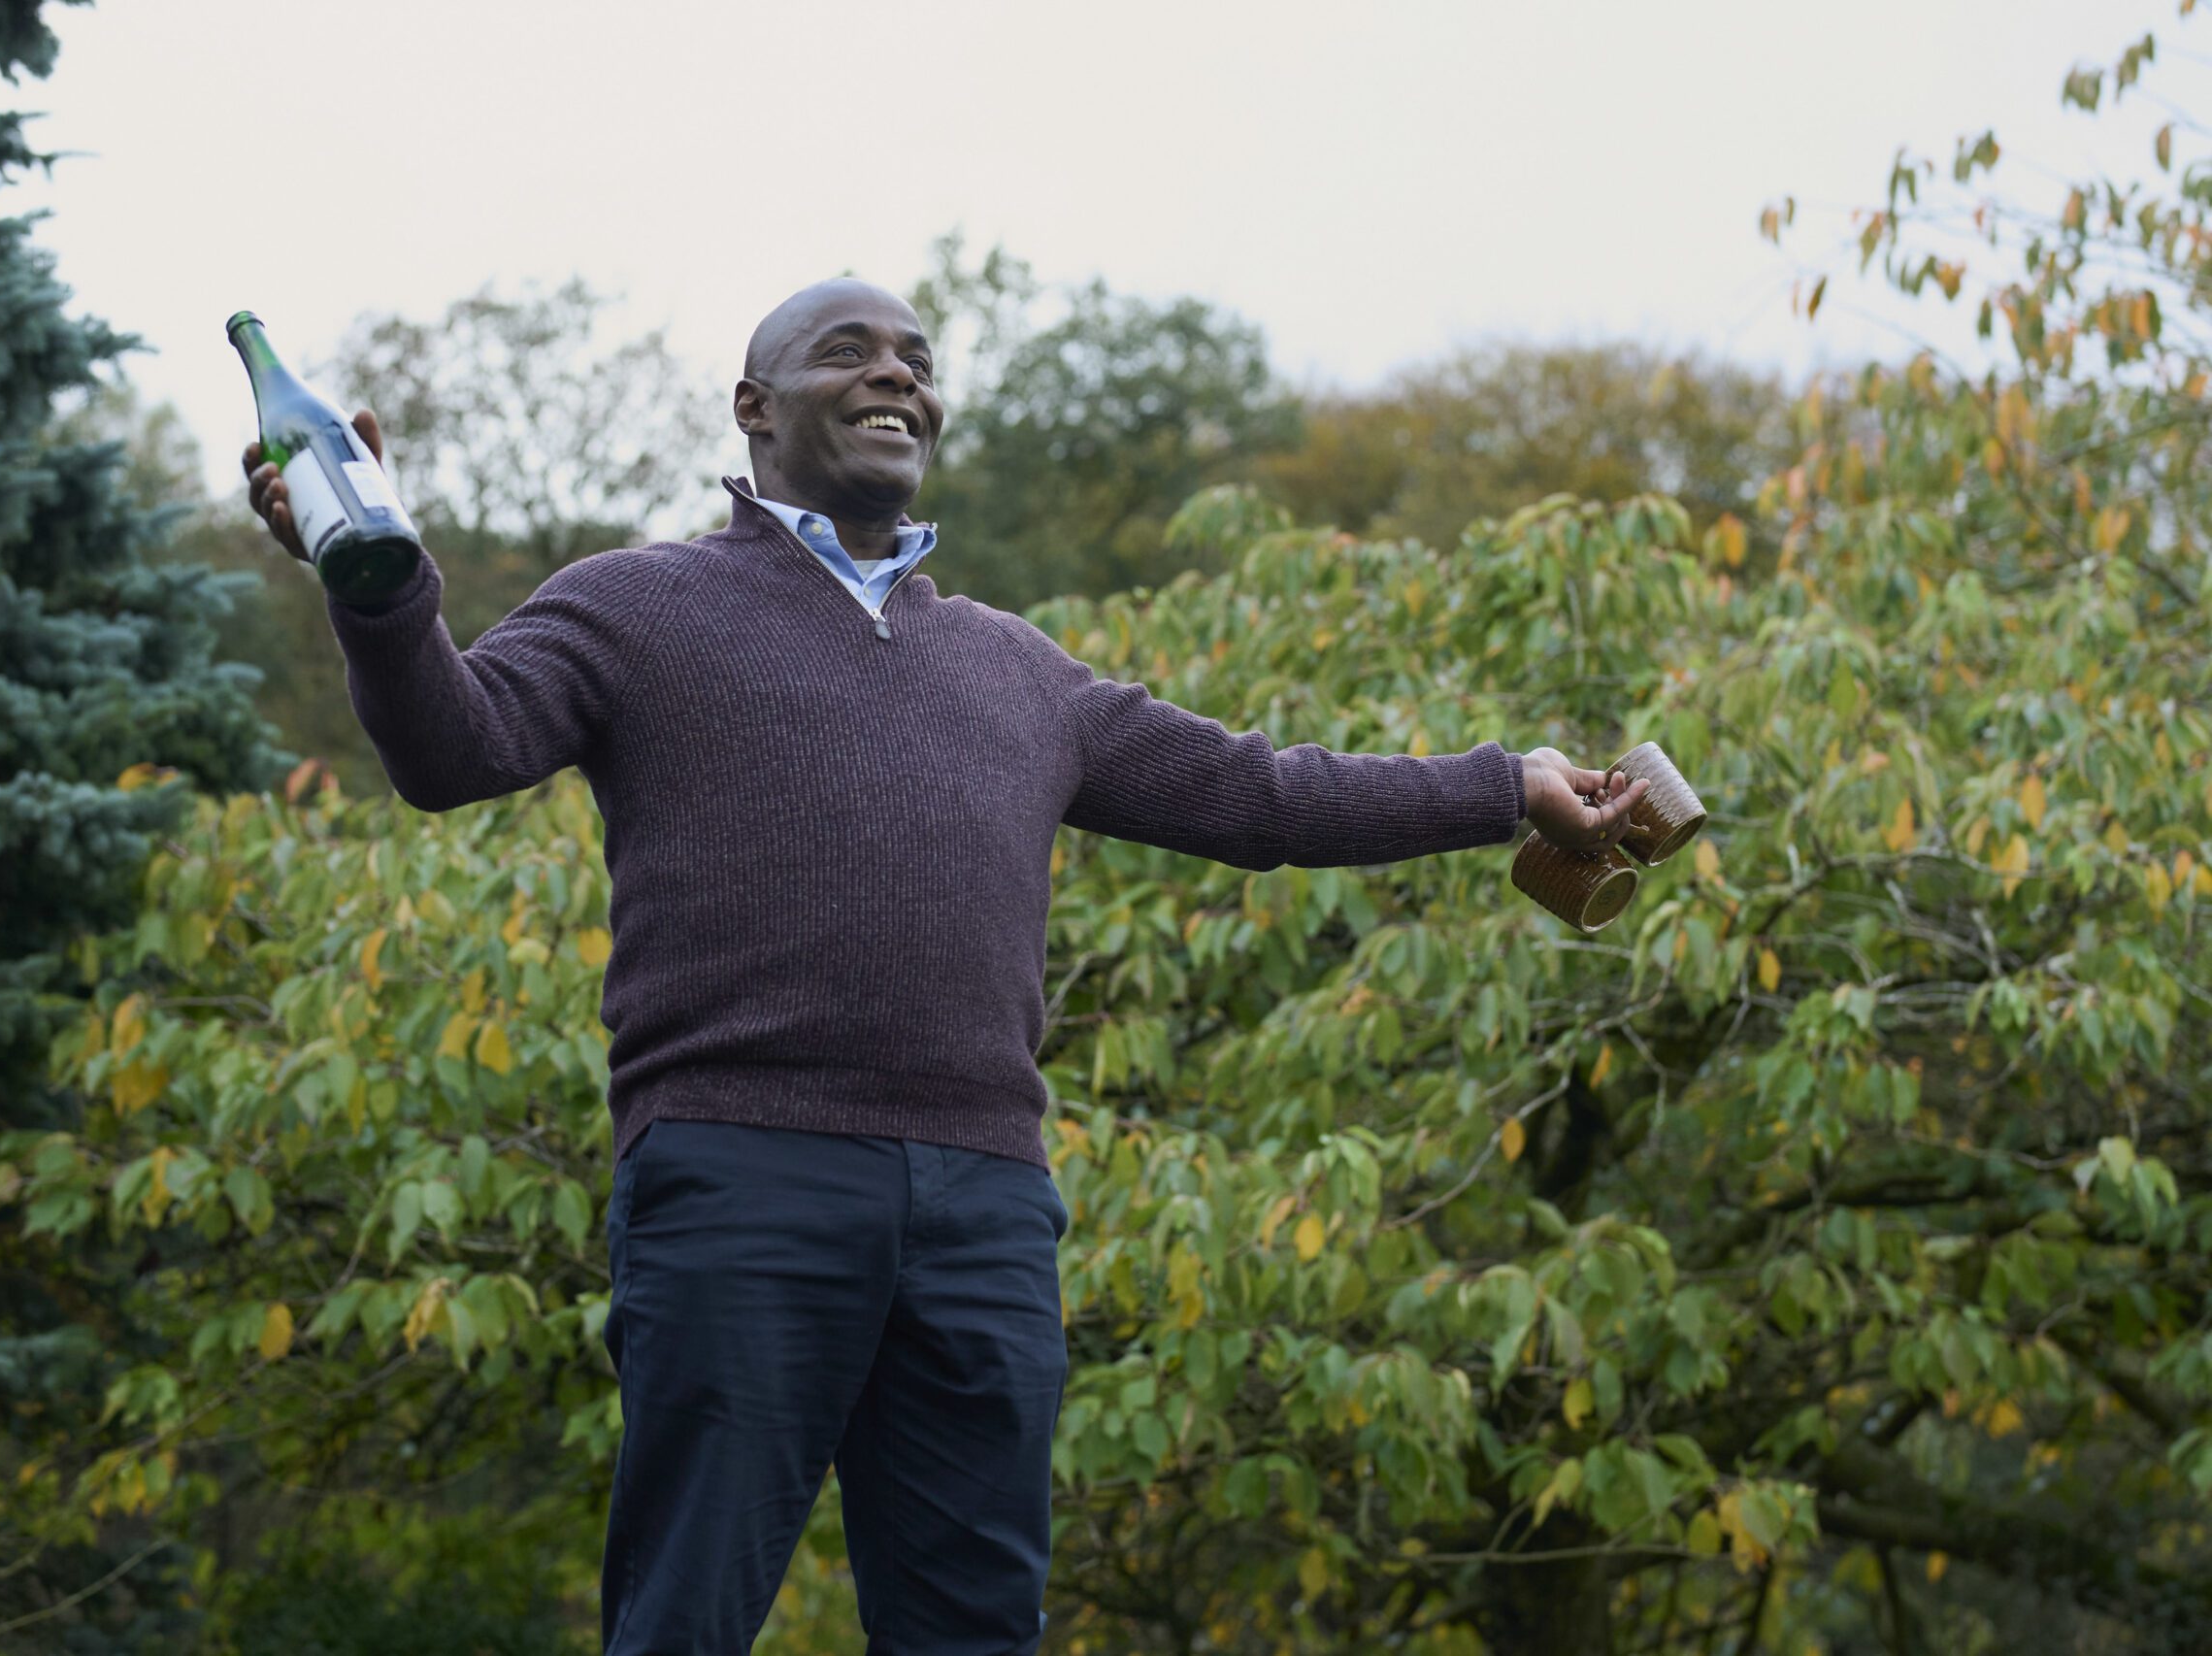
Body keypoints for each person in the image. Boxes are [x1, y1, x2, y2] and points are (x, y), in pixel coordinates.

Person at [244, 278, 1645, 1656]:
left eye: (916, 359)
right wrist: (380, 592)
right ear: (754, 407)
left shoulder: (1019, 671)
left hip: (985, 1204)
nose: (895, 375)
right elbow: (455, 750)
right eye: (847, 352)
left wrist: (1505, 786)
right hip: (742, 1170)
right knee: (687, 1614)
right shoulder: (635, 606)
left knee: (975, 1630)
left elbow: (1264, 797)